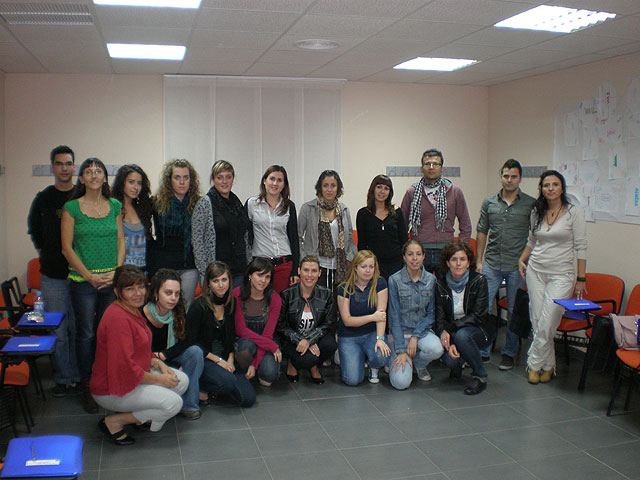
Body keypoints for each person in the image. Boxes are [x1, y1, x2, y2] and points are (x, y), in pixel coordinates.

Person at [91, 266, 188, 445]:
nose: (138, 293)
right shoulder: (117, 319)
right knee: (174, 403)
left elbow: (141, 348)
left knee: (181, 381)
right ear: (117, 292)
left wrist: (158, 363)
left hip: (133, 376)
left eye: (141, 287)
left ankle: (140, 417)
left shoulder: (132, 309)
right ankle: (114, 422)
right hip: (111, 388)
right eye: (130, 289)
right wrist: (159, 380)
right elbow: (125, 368)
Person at [61, 157, 125, 413]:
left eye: (99, 171)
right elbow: (66, 249)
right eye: (89, 172)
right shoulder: (71, 208)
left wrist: (117, 272)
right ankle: (87, 384)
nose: (94, 175)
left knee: (106, 333)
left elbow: (121, 241)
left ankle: (105, 380)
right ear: (82, 178)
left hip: (110, 281)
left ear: (105, 178)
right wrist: (88, 276)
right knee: (86, 333)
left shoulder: (115, 205)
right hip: (83, 282)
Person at [518, 170, 587, 385]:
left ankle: (533, 363)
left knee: (548, 322)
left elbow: (581, 247)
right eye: (546, 185)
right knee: (537, 319)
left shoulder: (573, 213)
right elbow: (531, 240)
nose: (550, 188)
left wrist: (581, 279)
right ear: (541, 189)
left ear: (562, 187)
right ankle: (548, 366)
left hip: (562, 275)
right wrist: (522, 259)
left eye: (555, 184)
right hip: (536, 271)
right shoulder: (536, 211)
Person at [27, 145, 79, 397]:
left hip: (80, 275)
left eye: (68, 163)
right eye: (59, 164)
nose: (64, 168)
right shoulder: (44, 198)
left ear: (74, 166)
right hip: (53, 276)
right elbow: (35, 230)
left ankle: (81, 378)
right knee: (59, 329)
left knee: (80, 329)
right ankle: (63, 379)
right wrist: (46, 251)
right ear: (52, 167)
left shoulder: (81, 196)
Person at [476, 159, 535, 369]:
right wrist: (479, 260)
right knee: (483, 308)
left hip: (516, 266)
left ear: (520, 178)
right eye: (506, 176)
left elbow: (535, 236)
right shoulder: (489, 202)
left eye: (514, 177)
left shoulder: (530, 204)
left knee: (513, 310)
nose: (509, 180)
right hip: (491, 263)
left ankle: (509, 352)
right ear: (501, 177)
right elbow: (482, 230)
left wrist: (528, 261)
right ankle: (482, 350)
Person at [186, 261, 256, 407]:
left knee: (248, 399)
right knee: (227, 382)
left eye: (224, 279)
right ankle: (202, 385)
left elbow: (231, 335)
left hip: (224, 356)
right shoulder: (198, 306)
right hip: (205, 358)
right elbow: (192, 342)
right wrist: (219, 361)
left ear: (229, 281)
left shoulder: (230, 302)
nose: (221, 285)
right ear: (208, 283)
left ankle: (218, 385)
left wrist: (230, 359)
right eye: (215, 281)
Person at [141, 269, 205, 419]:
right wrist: (156, 358)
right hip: (147, 361)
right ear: (155, 293)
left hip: (167, 356)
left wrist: (165, 354)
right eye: (168, 293)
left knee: (195, 351)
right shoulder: (141, 314)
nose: (173, 298)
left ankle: (189, 405)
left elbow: (187, 340)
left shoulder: (178, 310)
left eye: (177, 294)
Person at [435, 241, 493, 395]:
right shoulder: (440, 285)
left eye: (462, 259)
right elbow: (440, 318)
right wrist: (449, 341)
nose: (458, 263)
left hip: (478, 330)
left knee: (463, 336)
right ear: (447, 263)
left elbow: (478, 316)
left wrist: (451, 330)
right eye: (454, 259)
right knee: (449, 360)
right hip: (454, 332)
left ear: (468, 263)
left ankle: (480, 376)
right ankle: (458, 364)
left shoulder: (479, 281)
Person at [401, 148, 472, 273]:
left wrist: (461, 249)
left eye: (435, 164)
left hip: (447, 250)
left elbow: (465, 224)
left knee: (445, 285)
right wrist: (407, 250)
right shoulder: (412, 192)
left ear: (442, 168)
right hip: (419, 252)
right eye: (427, 164)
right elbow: (402, 224)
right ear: (421, 168)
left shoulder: (454, 191)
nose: (431, 167)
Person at [387, 240, 443, 390]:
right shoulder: (394, 280)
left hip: (421, 332)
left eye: (418, 254)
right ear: (404, 257)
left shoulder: (431, 279)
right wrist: (401, 349)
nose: (414, 258)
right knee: (400, 384)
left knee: (437, 349)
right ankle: (400, 357)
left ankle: (419, 364)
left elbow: (431, 314)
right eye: (410, 254)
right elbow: (393, 317)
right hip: (400, 334)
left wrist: (415, 336)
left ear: (424, 256)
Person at [148, 159, 200, 308]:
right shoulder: (156, 203)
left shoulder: (198, 204)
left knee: (184, 308)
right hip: (164, 266)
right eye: (177, 177)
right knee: (164, 308)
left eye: (186, 177)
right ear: (169, 180)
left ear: (191, 180)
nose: (182, 182)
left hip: (189, 265)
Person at [278, 255, 337, 384]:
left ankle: (313, 365)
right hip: (292, 339)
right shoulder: (286, 294)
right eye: (306, 270)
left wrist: (310, 340)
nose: (309, 275)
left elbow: (328, 323)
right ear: (299, 271)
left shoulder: (326, 294)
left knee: (331, 345)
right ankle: (293, 362)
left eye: (314, 271)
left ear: (319, 273)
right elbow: (281, 326)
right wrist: (300, 340)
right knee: (306, 359)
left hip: (314, 337)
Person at [192, 160, 251, 288]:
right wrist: (206, 271)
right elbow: (197, 241)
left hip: (239, 269)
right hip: (216, 273)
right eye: (220, 177)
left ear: (233, 179)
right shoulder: (205, 203)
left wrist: (249, 263)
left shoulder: (236, 203)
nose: (224, 181)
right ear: (213, 179)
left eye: (228, 177)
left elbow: (245, 236)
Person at [298, 170, 357, 292]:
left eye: (333, 185)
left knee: (337, 301)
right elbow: (297, 237)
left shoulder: (344, 210)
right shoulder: (308, 208)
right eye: (325, 185)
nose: (329, 189)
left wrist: (350, 259)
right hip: (315, 268)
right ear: (320, 188)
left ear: (338, 188)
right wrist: (305, 260)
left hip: (339, 268)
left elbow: (349, 237)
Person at [337, 250, 390, 386]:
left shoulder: (380, 283)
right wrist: (372, 317)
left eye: (371, 266)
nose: (368, 270)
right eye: (363, 266)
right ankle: (355, 358)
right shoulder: (344, 288)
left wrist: (380, 339)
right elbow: (347, 320)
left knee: (381, 356)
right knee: (352, 380)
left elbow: (381, 315)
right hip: (349, 336)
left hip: (371, 333)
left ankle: (373, 366)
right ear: (355, 267)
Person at [246, 165, 300, 292]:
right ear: (264, 181)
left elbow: (294, 238)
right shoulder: (252, 204)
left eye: (279, 180)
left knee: (281, 302)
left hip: (284, 264)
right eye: (272, 179)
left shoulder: (289, 206)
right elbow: (246, 235)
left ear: (284, 185)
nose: (275, 183)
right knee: (261, 300)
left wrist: (295, 270)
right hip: (260, 265)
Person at [234, 258, 282, 387]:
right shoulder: (236, 294)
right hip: (245, 340)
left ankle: (253, 367)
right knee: (245, 348)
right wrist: (272, 346)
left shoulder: (275, 298)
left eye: (267, 277)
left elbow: (267, 335)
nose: (263, 280)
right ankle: (244, 367)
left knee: (268, 378)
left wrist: (254, 365)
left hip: (266, 340)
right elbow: (241, 331)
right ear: (250, 275)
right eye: (259, 275)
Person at [356, 174, 407, 279]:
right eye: (379, 187)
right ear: (373, 189)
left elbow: (404, 240)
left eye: (386, 188)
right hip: (373, 265)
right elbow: (362, 244)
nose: (382, 191)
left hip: (396, 265)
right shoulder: (363, 214)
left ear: (390, 192)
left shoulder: (397, 212)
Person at [111, 164, 153, 270]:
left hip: (142, 271)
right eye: (131, 182)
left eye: (139, 183)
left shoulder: (142, 209)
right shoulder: (113, 208)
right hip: (120, 270)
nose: (135, 187)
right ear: (122, 183)